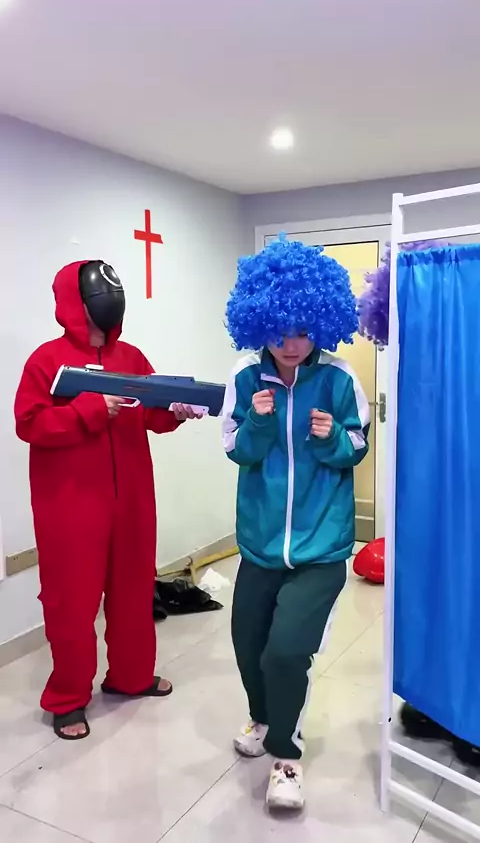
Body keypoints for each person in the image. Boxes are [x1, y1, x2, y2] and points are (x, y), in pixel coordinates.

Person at [14, 260, 201, 740]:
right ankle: (68, 698)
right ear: (75, 305)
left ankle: (131, 677)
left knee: (134, 592)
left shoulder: (131, 357)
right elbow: (29, 424)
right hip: (70, 507)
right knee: (72, 603)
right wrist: (88, 411)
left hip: (132, 500)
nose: (108, 309)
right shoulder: (46, 360)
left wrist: (176, 411)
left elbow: (152, 414)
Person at [222, 236, 370, 810]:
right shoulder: (244, 377)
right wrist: (259, 425)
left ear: (322, 324)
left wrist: (331, 438)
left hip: (321, 547)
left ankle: (286, 757)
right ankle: (263, 718)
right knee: (248, 644)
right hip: (260, 543)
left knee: (285, 651)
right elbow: (236, 449)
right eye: (280, 331)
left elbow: (357, 447)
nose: (291, 344)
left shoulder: (339, 378)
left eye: (304, 331)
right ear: (259, 321)